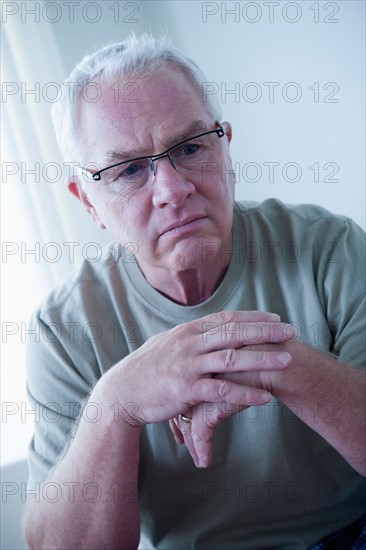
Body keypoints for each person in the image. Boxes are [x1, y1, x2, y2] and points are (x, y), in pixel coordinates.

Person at [23, 34, 365, 549]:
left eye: (190, 148)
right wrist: (117, 405)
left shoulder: (328, 247)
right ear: (87, 202)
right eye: (128, 170)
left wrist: (267, 359)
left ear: (225, 146)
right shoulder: (64, 328)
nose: (172, 190)